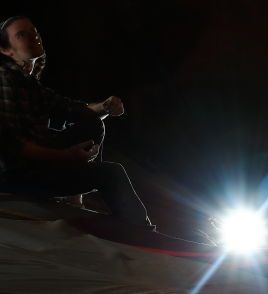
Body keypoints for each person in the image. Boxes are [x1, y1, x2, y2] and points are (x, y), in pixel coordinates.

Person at [0, 15, 153, 228]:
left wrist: (106, 106)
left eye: (34, 30)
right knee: (111, 174)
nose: (34, 35)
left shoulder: (29, 83)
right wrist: (65, 156)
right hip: (17, 175)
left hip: (37, 161)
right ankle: (142, 231)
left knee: (92, 121)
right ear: (7, 50)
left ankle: (73, 197)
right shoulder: (5, 79)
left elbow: (72, 109)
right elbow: (11, 146)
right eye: (22, 34)